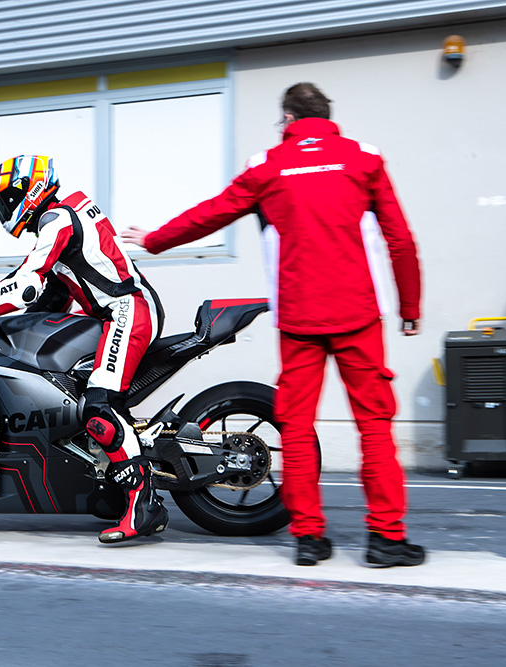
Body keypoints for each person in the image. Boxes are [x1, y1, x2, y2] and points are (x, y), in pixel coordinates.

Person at [122, 83, 425, 567]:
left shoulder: (269, 166)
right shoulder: (364, 159)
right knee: (374, 425)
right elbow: (401, 241)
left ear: (287, 119)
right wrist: (410, 307)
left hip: (300, 318)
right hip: (358, 316)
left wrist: (156, 240)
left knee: (297, 426)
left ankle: (309, 539)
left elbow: (213, 213)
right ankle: (386, 540)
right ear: (327, 117)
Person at [0, 154, 168, 543]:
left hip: (128, 311)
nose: (6, 209)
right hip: (123, 311)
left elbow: (26, 285)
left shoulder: (57, 219)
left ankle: (143, 504)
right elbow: (51, 295)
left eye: (8, 199)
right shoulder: (63, 218)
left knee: (99, 406)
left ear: (29, 191)